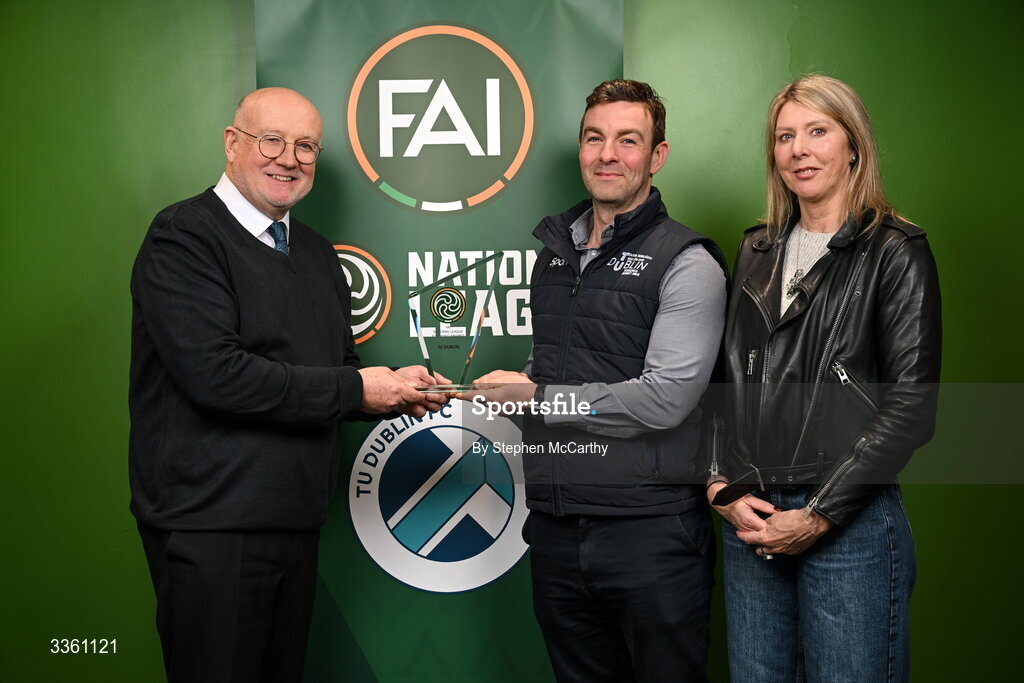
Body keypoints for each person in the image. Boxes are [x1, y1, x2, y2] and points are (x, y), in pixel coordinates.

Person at [129, 87, 444, 683]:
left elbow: (334, 371)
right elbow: (217, 377)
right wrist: (357, 390)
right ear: (232, 144)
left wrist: (393, 388)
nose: (289, 158)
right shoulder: (184, 237)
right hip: (211, 526)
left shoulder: (319, 254)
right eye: (271, 139)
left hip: (295, 520)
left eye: (306, 146)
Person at [468, 80, 728, 682]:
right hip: (557, 529)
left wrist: (537, 397)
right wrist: (475, 393)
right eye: (595, 138)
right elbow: (559, 370)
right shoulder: (553, 253)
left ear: (656, 156)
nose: (607, 154)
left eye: (628, 140)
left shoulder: (686, 261)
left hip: (650, 533)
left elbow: (666, 399)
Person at [706, 75, 941, 682]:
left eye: (817, 131)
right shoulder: (755, 249)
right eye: (785, 136)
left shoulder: (896, 250)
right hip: (751, 520)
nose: (799, 150)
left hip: (848, 524)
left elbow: (911, 409)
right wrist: (717, 486)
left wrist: (816, 514)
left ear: (853, 145)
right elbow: (722, 383)